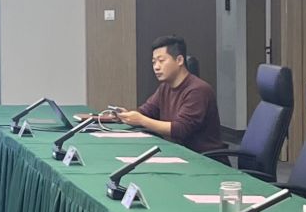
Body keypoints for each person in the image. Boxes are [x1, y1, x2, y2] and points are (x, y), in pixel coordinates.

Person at [83, 35, 223, 155]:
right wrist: (126, 115)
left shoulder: (198, 90)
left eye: (161, 61)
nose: (156, 67)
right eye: (154, 62)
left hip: (203, 158)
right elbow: (146, 111)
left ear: (179, 60)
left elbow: (180, 129)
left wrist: (141, 120)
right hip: (175, 152)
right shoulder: (165, 87)